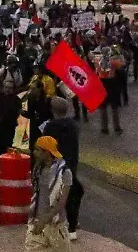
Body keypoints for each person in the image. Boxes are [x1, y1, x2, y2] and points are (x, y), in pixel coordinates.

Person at [42, 98, 82, 241]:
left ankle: (54, 228)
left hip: (56, 166)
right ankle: (72, 225)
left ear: (53, 110)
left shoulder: (50, 127)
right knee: (72, 195)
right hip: (71, 165)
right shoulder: (73, 125)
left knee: (54, 197)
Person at [26, 136, 73, 252]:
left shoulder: (64, 173)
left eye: (37, 150)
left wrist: (44, 220)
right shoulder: (37, 169)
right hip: (36, 222)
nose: (34, 152)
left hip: (56, 226)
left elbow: (61, 202)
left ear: (47, 152)